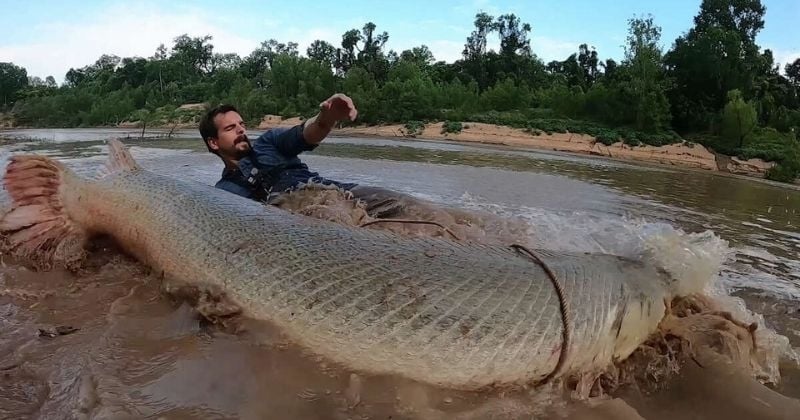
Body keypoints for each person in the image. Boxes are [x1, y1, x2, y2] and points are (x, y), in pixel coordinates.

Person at [198, 93, 424, 218]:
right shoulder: (224, 193)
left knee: (410, 206)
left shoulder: (269, 143)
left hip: (339, 193)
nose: (241, 130)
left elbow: (308, 134)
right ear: (213, 142)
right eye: (230, 128)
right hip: (304, 218)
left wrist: (326, 118)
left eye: (241, 124)